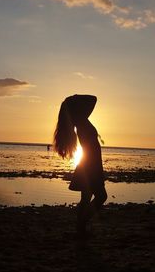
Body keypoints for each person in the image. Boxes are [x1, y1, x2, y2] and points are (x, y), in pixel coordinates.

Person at [52, 94, 107, 235]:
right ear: (78, 109)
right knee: (101, 196)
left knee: (86, 197)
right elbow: (93, 98)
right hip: (91, 163)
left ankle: (80, 228)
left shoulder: (80, 121)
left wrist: (70, 101)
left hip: (88, 162)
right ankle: (82, 223)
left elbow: (92, 99)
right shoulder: (81, 121)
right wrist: (73, 98)